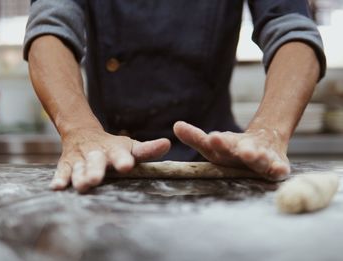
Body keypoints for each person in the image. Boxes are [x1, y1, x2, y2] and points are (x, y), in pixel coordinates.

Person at [24, 0, 326, 193]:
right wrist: (79, 130)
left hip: (217, 170)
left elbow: (291, 29)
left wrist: (269, 130)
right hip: (106, 167)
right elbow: (50, 26)